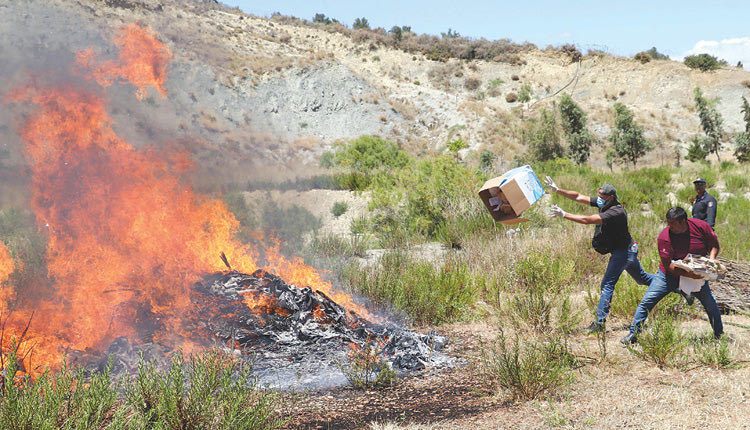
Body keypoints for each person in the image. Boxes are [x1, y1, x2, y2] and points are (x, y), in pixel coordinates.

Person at [544, 177, 653, 333]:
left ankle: (599, 323)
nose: (599, 200)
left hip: (623, 252)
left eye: (602, 198)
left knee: (607, 285)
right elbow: (578, 196)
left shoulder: (616, 211)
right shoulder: (605, 203)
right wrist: (557, 190)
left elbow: (587, 219)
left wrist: (564, 215)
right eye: (599, 197)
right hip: (627, 250)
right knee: (642, 279)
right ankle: (677, 286)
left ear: (611, 198)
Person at [621, 206, 723, 344]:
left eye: (673, 223)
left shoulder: (700, 227)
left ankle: (719, 335)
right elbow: (669, 265)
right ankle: (634, 334)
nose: (669, 226)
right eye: (668, 222)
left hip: (697, 275)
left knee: (710, 304)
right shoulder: (664, 237)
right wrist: (688, 274)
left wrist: (711, 261)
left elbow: (714, 245)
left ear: (684, 221)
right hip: (668, 275)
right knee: (647, 301)